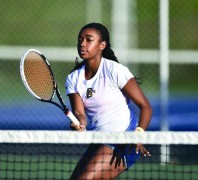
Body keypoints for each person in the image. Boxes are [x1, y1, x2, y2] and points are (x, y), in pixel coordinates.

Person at [65, 22, 152, 179]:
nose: (82, 44)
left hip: (124, 141)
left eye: (88, 39)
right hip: (99, 141)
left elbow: (145, 106)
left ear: (102, 45)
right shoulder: (73, 78)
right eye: (80, 39)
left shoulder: (115, 71)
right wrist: (80, 123)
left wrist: (137, 135)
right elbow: (80, 113)